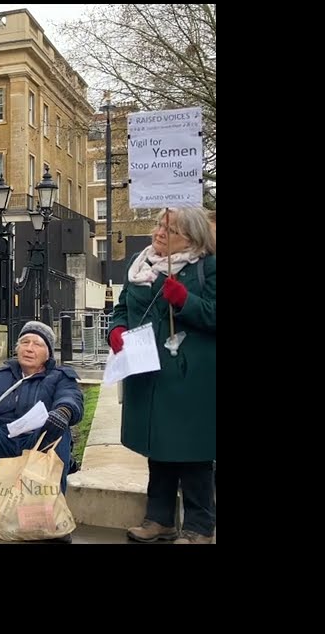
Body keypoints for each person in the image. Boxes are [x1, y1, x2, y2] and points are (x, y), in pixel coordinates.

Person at [110, 207, 216, 544]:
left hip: (190, 378)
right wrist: (117, 329)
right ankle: (159, 519)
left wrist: (185, 301)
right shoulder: (140, 264)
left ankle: (199, 526)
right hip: (149, 373)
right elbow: (122, 307)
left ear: (192, 238)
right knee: (159, 448)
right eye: (159, 225)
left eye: (171, 230)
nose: (159, 232)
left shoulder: (207, 267)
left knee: (193, 452)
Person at [0, 321, 83, 534]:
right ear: (17, 348)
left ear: (48, 353)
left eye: (37, 344)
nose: (29, 348)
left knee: (61, 430)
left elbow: (70, 397)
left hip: (37, 444)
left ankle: (53, 512)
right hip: (2, 442)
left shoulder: (60, 377)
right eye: (24, 342)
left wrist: (64, 411)